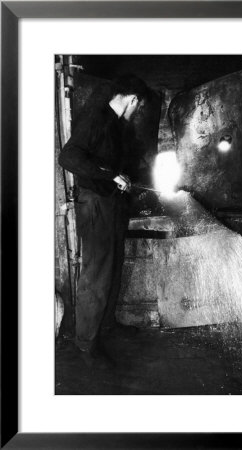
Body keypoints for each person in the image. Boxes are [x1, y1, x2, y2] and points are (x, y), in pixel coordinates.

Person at [58, 74, 150, 368]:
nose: (137, 113)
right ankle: (86, 343)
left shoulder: (115, 125)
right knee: (96, 274)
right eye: (139, 107)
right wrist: (110, 174)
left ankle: (107, 324)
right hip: (95, 205)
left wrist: (123, 176)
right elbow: (69, 157)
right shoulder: (96, 117)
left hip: (112, 204)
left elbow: (110, 162)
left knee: (113, 267)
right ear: (133, 100)